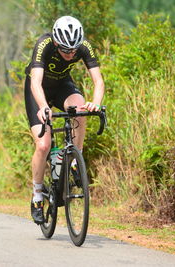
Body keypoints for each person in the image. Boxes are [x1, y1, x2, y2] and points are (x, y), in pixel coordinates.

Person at [24, 16, 105, 224]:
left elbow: (98, 81)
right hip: (38, 90)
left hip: (62, 86)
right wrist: (43, 107)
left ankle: (75, 159)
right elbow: (35, 83)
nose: (70, 55)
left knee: (80, 109)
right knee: (43, 145)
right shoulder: (44, 44)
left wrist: (95, 103)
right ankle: (37, 196)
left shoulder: (83, 46)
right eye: (65, 51)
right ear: (56, 43)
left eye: (73, 51)